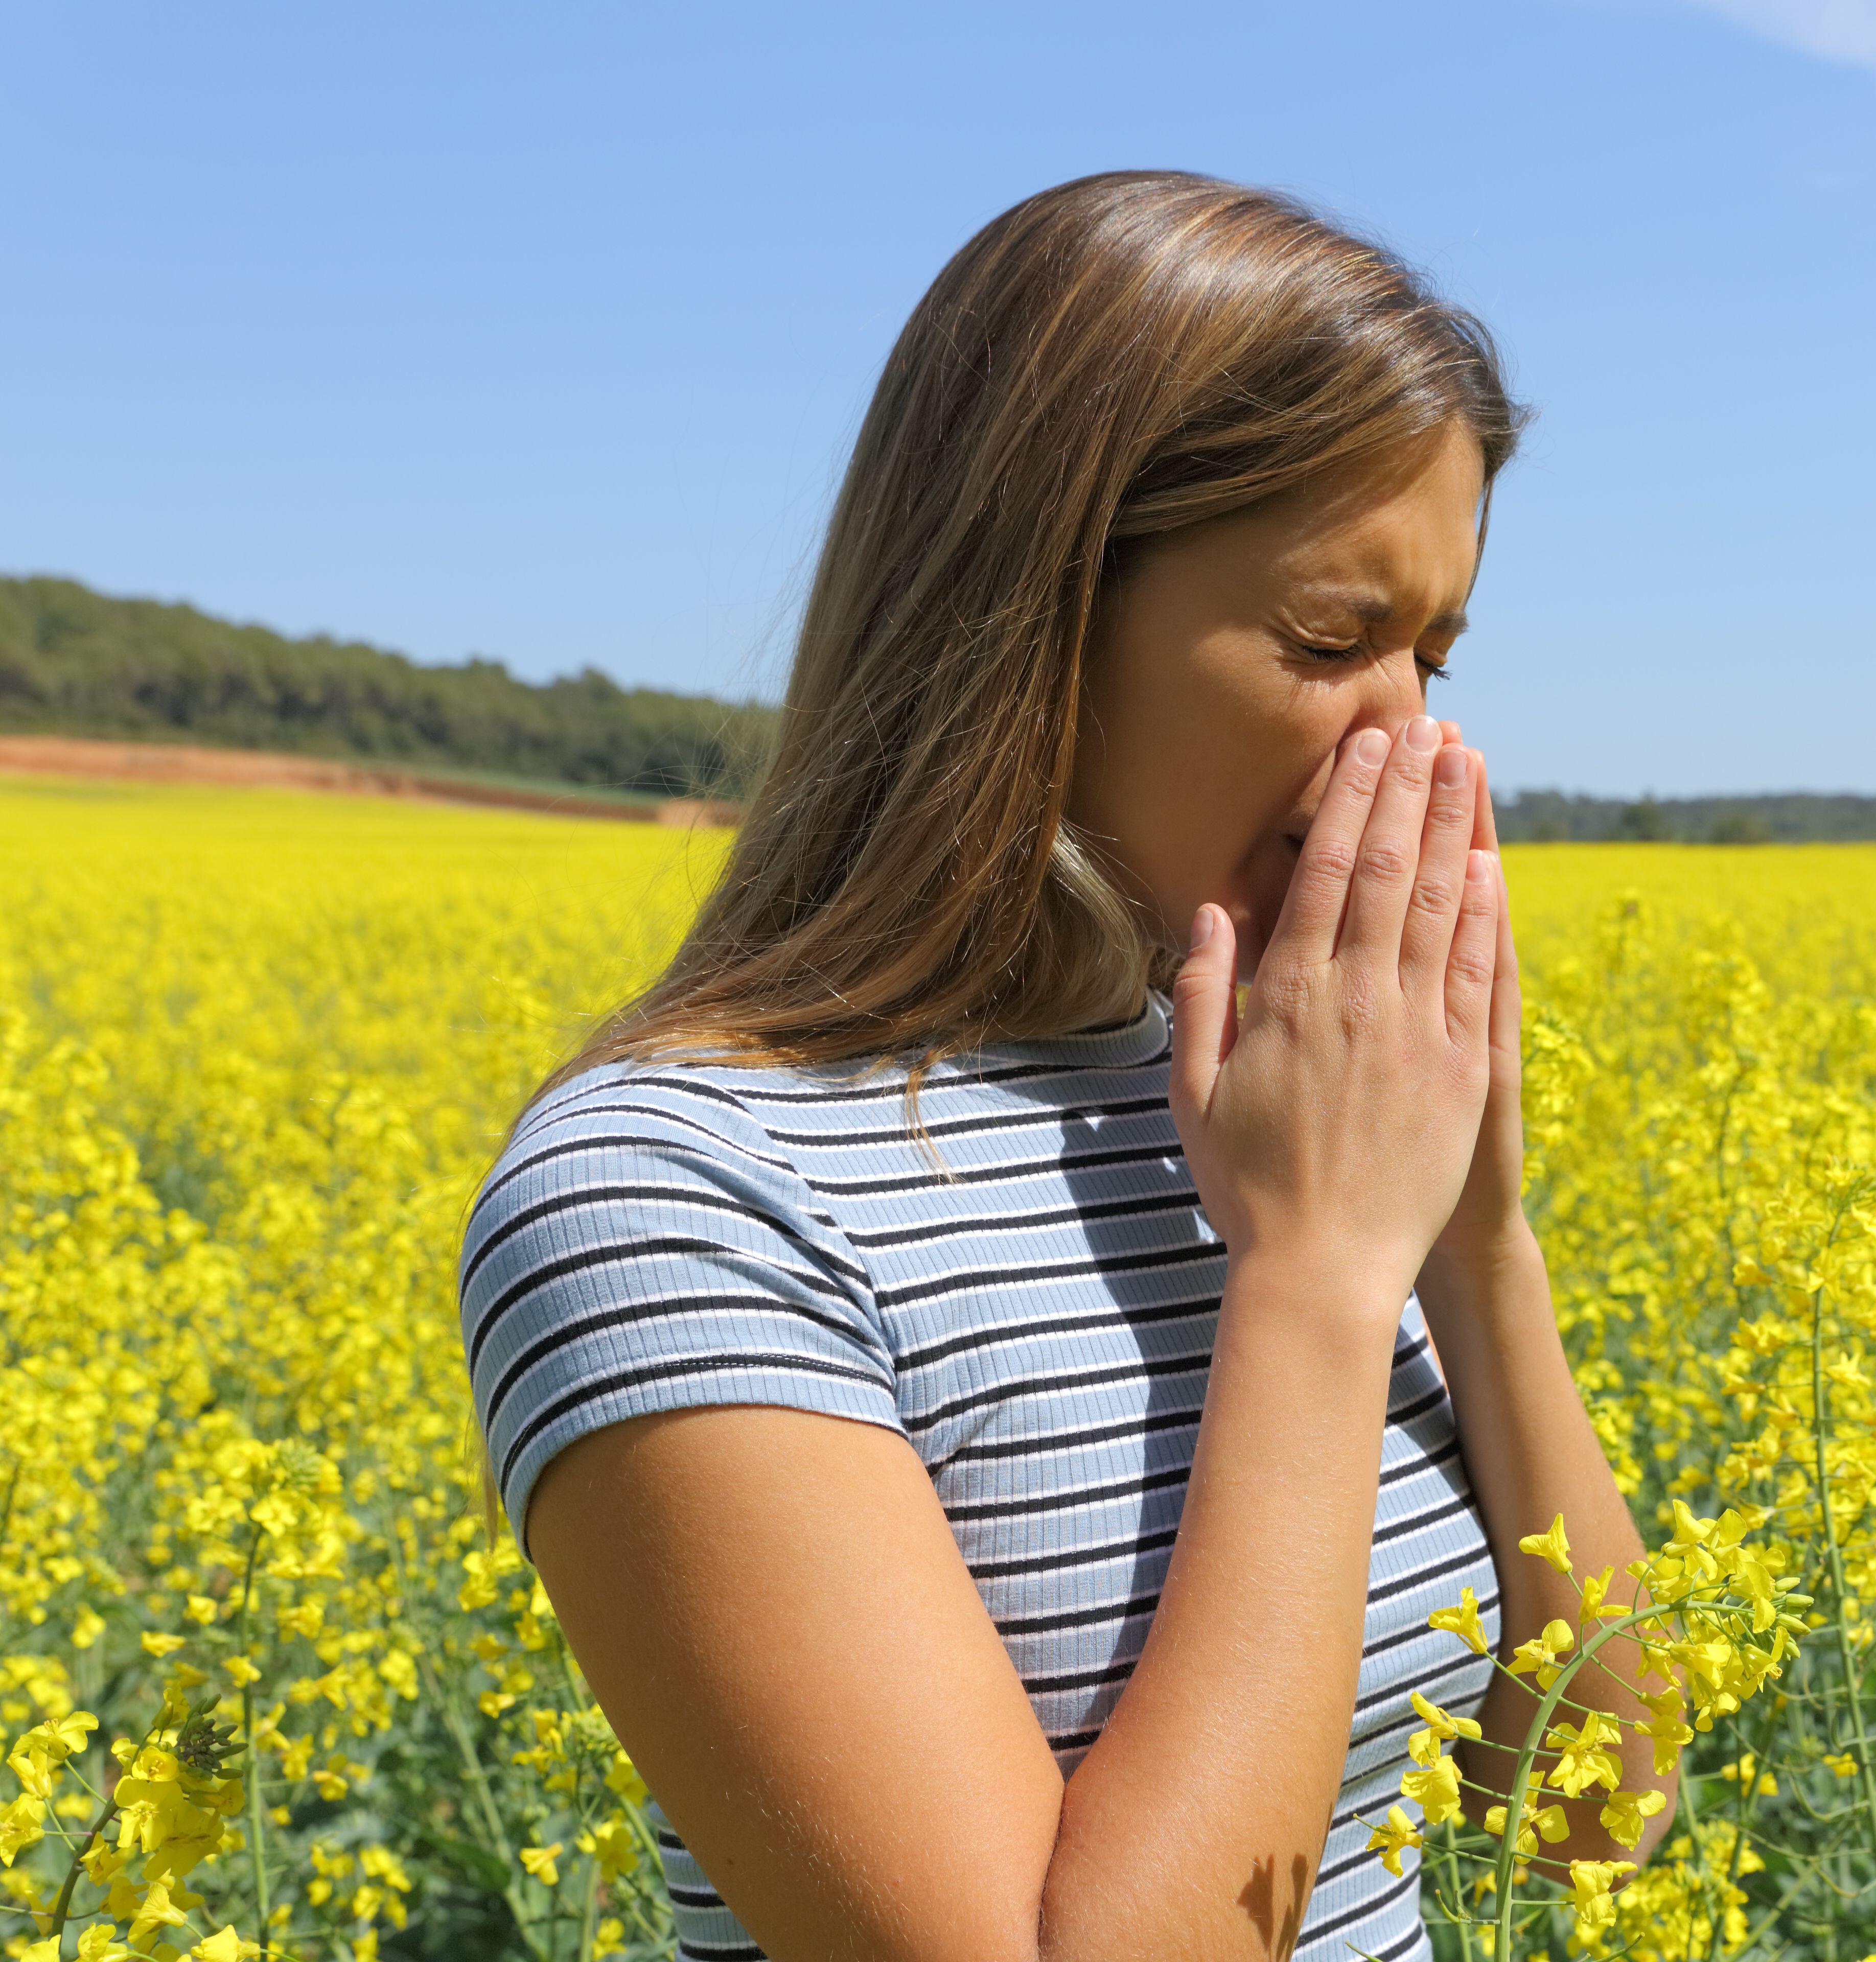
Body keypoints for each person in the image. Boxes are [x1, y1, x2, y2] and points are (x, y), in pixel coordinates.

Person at [459, 171, 1666, 1962]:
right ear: (1033, 624)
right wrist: (1324, 1278)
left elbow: (1592, 1823)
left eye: (1437, 651)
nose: (1411, 740)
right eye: (1333, 642)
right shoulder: (676, 1198)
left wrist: (1476, 1242)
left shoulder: (1286, 1112)